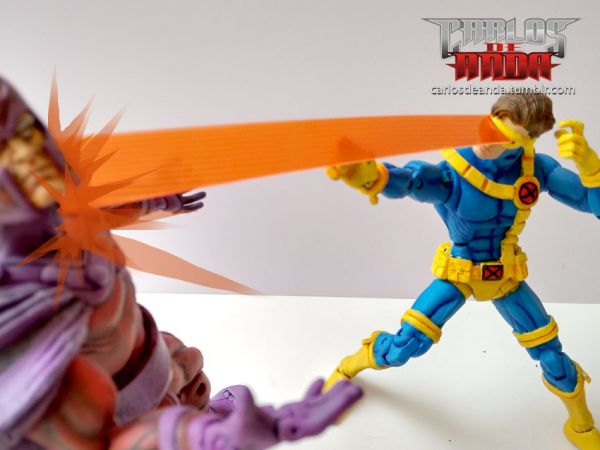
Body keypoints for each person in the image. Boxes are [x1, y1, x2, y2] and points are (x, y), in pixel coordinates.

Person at [0, 76, 362, 450]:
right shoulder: (30, 358)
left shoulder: (57, 219)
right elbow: (110, 442)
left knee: (184, 366)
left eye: (25, 135)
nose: (29, 158)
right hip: (141, 414)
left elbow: (86, 215)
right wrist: (217, 437)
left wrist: (152, 202)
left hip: (152, 356)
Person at [325, 93, 600, 450]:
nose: (488, 140)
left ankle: (580, 425)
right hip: (458, 273)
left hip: (505, 277)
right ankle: (348, 367)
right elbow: (412, 180)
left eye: (505, 137)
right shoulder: (456, 168)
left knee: (552, 357)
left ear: (526, 141)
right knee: (405, 346)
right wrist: (370, 175)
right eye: (490, 127)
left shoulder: (536, 170)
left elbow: (591, 203)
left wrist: (591, 168)